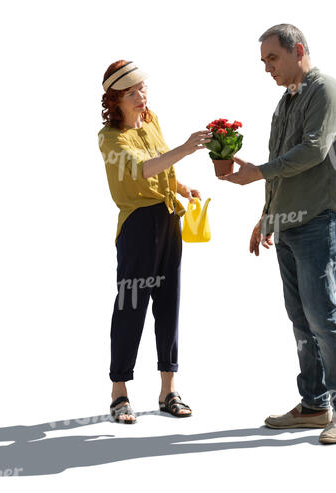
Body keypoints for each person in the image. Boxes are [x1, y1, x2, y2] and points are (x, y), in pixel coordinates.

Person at [220, 24, 336, 444]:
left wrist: (259, 174)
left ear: (297, 50)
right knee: (302, 320)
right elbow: (277, 162)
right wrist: (267, 214)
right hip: (288, 224)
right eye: (264, 60)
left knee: (323, 317)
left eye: (272, 58)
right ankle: (315, 404)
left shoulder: (327, 91)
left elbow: (314, 150)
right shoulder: (285, 103)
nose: (267, 67)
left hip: (320, 219)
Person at [97, 60, 212, 424]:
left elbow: (161, 167)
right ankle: (119, 393)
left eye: (142, 88)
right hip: (137, 227)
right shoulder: (110, 138)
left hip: (168, 219)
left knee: (168, 304)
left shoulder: (151, 120)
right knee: (130, 306)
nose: (141, 96)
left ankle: (168, 390)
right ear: (115, 100)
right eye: (132, 92)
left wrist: (181, 187)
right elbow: (143, 169)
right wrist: (187, 147)